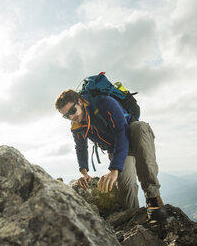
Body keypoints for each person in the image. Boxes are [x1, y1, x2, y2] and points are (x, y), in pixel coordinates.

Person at [54, 88, 165, 219]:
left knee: (139, 127)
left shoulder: (104, 103)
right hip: (116, 149)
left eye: (72, 111)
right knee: (125, 186)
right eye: (66, 116)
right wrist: (84, 172)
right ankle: (136, 218)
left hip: (134, 136)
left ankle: (154, 200)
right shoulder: (77, 126)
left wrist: (114, 169)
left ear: (80, 101)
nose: (72, 117)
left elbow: (121, 132)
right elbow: (81, 148)